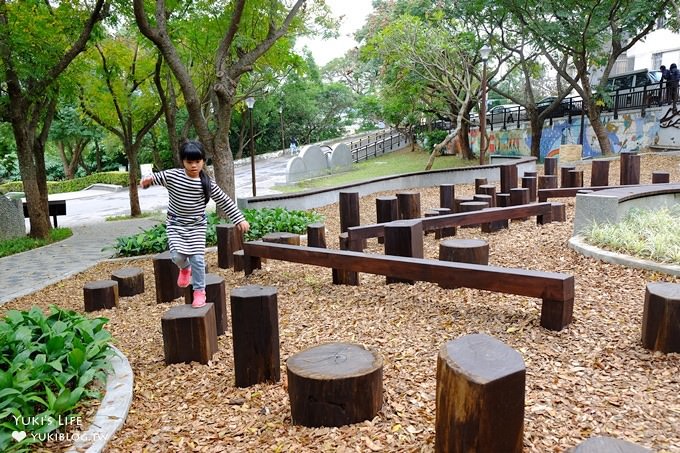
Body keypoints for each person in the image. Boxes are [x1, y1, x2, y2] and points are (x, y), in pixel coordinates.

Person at [141, 140, 250, 308]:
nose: (193, 165)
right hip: (176, 224)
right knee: (177, 256)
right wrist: (147, 181)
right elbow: (154, 178)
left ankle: (199, 291)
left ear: (203, 161)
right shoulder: (173, 176)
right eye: (189, 162)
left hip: (197, 226)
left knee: (198, 260)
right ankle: (185, 269)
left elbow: (224, 200)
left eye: (197, 162)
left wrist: (239, 219)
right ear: (182, 161)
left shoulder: (207, 183)